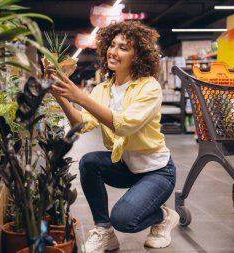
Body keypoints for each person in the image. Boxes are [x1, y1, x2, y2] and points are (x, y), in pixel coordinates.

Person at [49, 20, 179, 252]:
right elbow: (81, 123)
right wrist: (60, 95)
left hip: (157, 171)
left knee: (125, 219)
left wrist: (81, 97)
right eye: (112, 44)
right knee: (89, 162)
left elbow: (125, 126)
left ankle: (162, 216)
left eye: (123, 47)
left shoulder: (148, 87)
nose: (113, 51)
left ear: (137, 56)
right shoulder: (103, 89)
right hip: (127, 167)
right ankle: (104, 231)